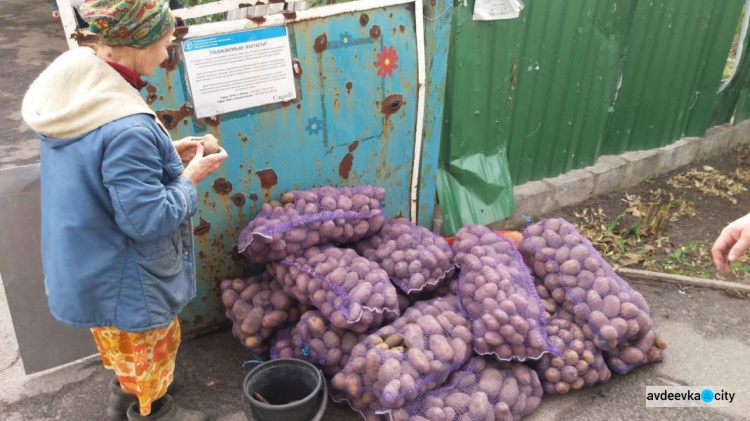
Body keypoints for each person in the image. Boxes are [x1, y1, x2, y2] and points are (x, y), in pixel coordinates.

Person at [22, 0, 228, 419]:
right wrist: (191, 178)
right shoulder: (127, 126)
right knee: (148, 349)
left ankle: (125, 399)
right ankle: (154, 412)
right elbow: (147, 219)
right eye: (166, 44)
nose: (168, 54)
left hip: (90, 261)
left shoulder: (80, 90)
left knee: (126, 352)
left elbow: (97, 163)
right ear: (140, 41)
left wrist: (166, 151)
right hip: (127, 274)